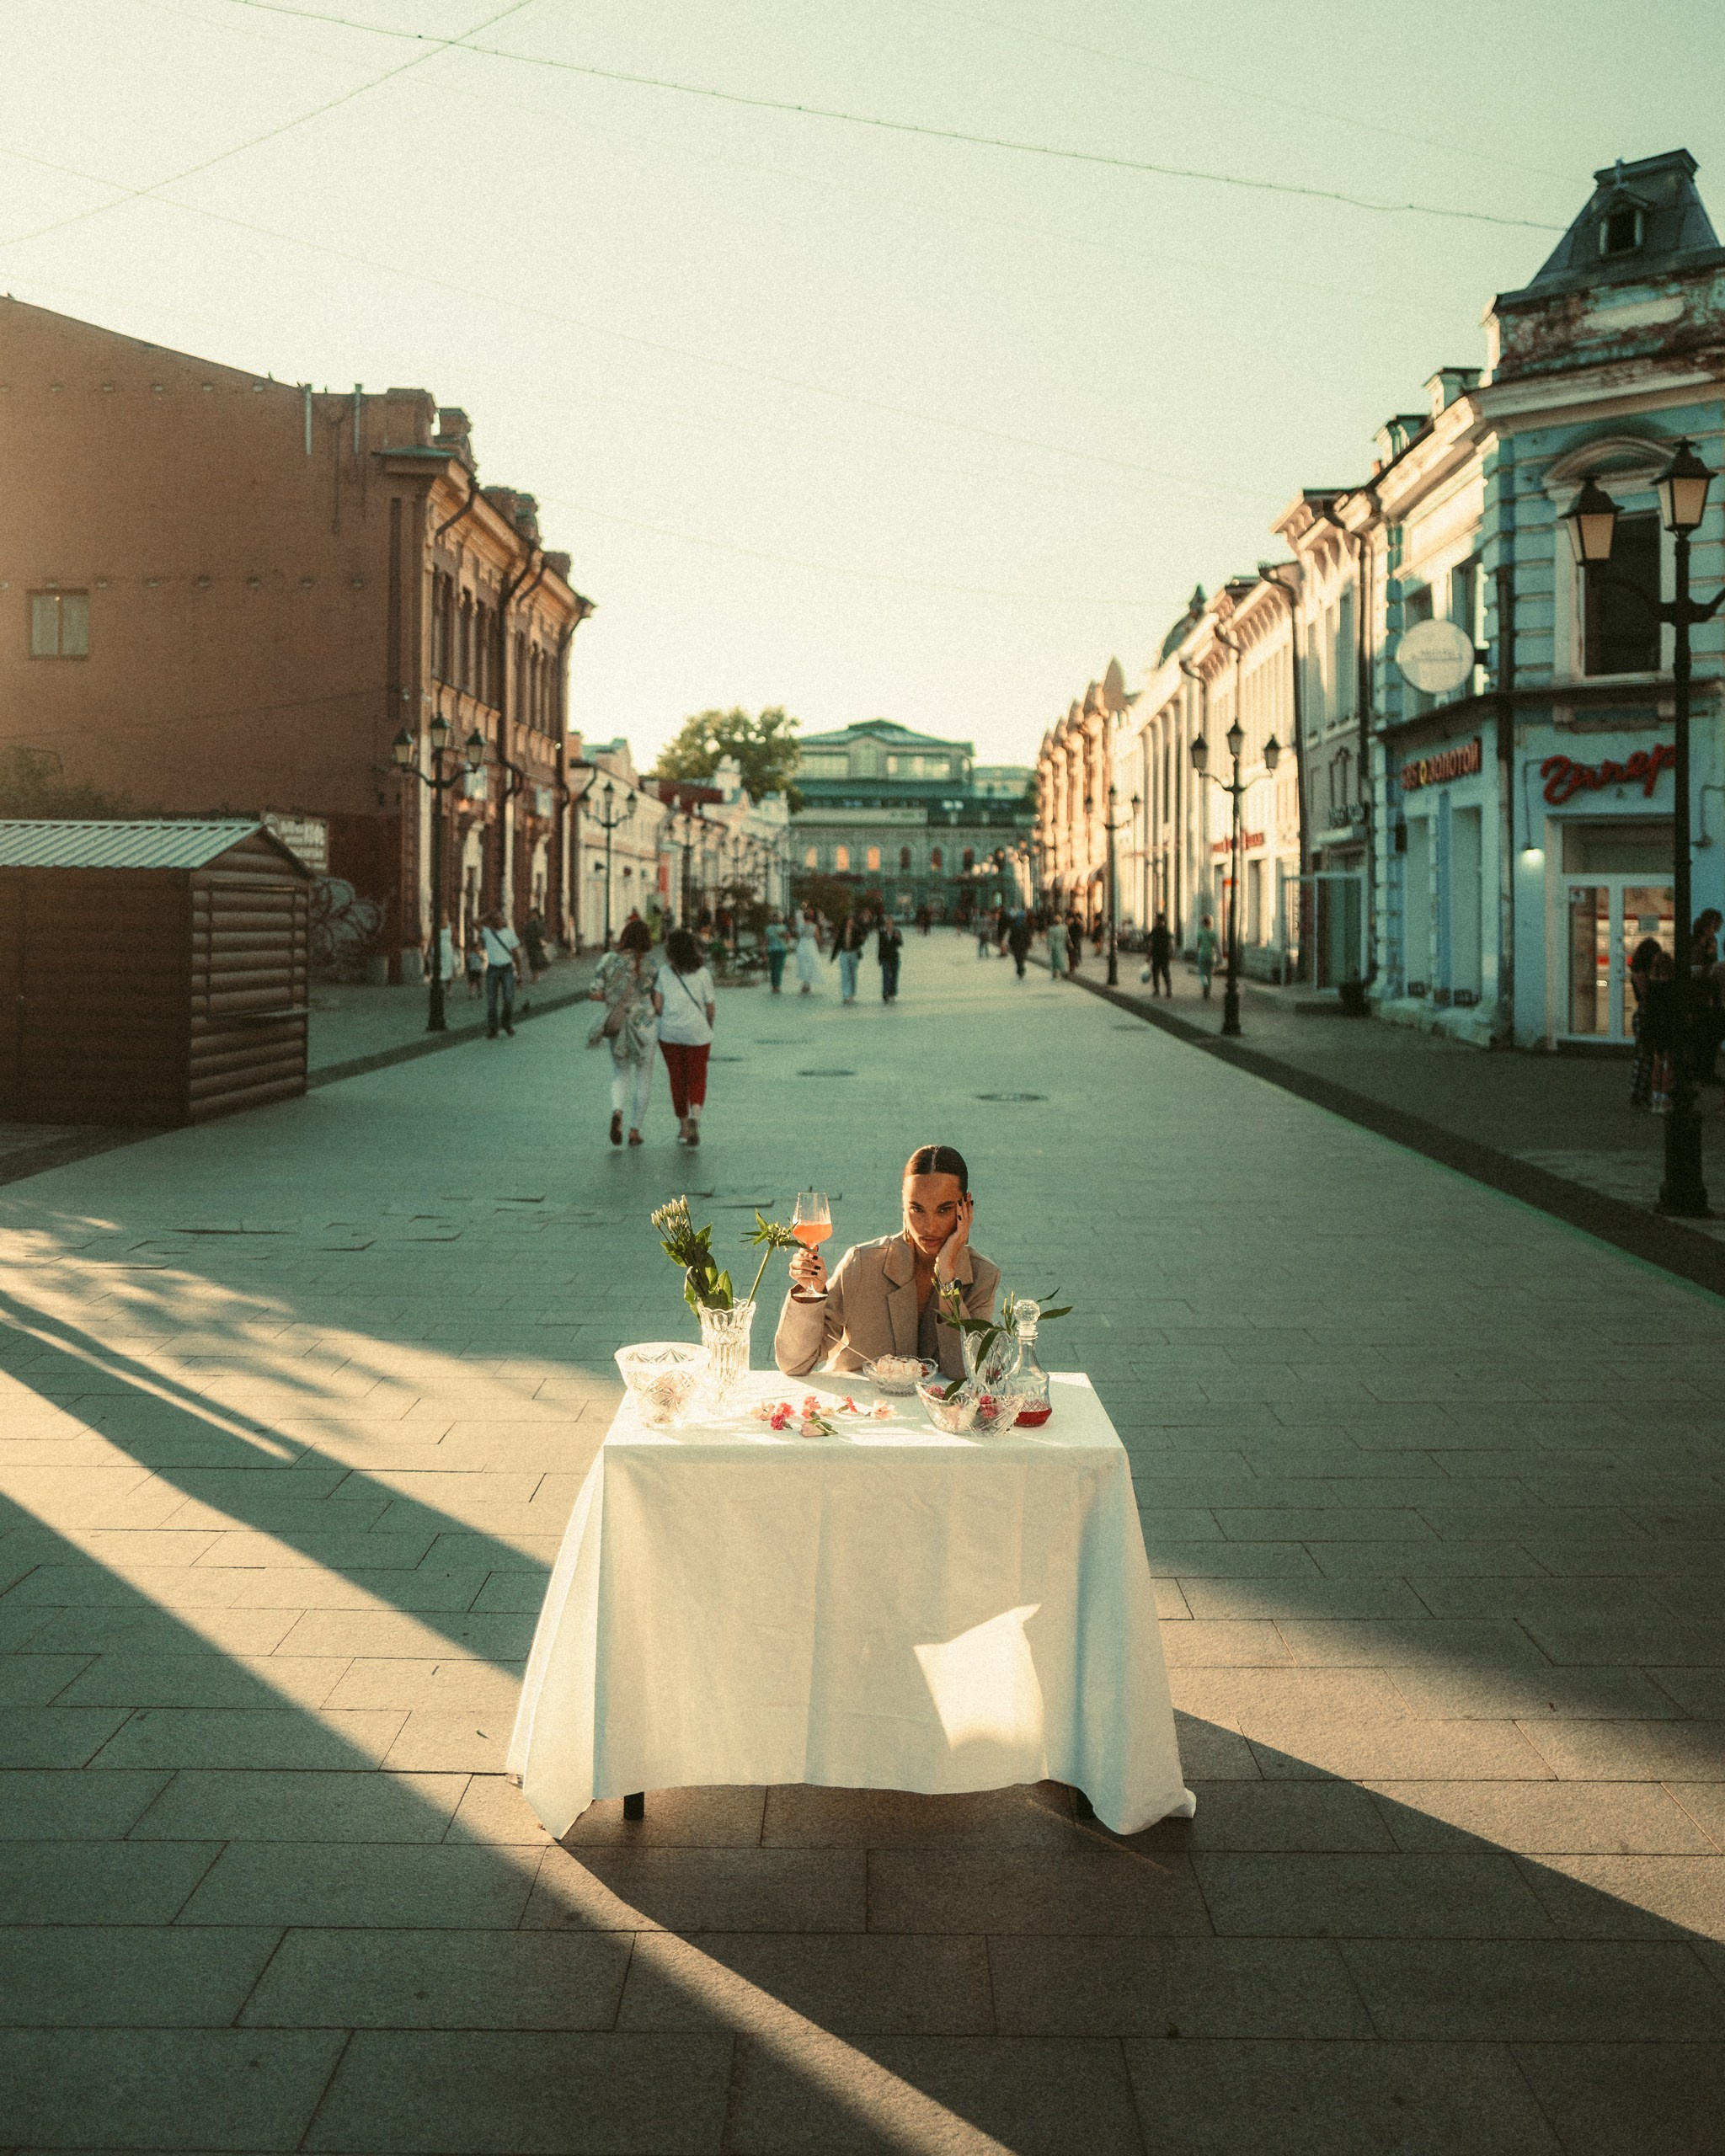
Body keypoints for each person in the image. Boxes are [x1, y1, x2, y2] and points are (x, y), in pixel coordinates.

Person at [775, 1143, 998, 1380]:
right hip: (858, 1401)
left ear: (966, 1206)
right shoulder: (863, 1264)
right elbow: (795, 1363)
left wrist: (946, 1277)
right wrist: (810, 1294)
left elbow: (965, 1372)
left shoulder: (983, 1277)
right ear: (903, 1204)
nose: (929, 1226)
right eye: (917, 1209)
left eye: (943, 1210)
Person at [589, 918, 657, 1145]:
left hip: (618, 1022)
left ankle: (617, 1111)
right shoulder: (651, 964)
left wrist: (614, 997)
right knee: (644, 1076)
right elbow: (656, 997)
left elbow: (594, 993)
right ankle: (635, 1131)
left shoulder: (608, 960)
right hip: (644, 1023)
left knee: (620, 1072)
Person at [654, 926, 718, 1147]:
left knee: (677, 1079)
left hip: (670, 1033)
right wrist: (708, 1027)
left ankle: (683, 1128)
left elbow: (658, 1006)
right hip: (698, 1033)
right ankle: (695, 1116)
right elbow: (710, 1008)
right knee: (697, 1077)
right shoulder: (703, 973)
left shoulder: (664, 973)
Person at [1629, 934, 1663, 1109]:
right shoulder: (1643, 975)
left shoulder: (1637, 972)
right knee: (1646, 1058)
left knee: (1643, 1057)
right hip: (1646, 1014)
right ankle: (1640, 1095)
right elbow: (1647, 996)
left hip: (1642, 1013)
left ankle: (1640, 1094)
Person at [479, 910, 521, 1038]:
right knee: (492, 1000)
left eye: (500, 919)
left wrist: (519, 973)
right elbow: (474, 923)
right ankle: (493, 1028)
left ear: (504, 921)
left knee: (509, 998)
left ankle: (506, 1022)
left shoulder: (510, 934)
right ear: (492, 922)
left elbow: (516, 954)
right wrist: (488, 914)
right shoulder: (487, 933)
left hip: (507, 969)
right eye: (495, 919)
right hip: (492, 969)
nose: (498, 921)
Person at [834, 906, 869, 1003]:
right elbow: (837, 944)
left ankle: (852, 993)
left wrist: (861, 939)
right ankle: (845, 994)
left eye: (852, 921)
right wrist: (833, 956)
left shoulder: (857, 930)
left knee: (852, 974)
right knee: (845, 974)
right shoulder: (842, 931)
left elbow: (861, 942)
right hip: (844, 953)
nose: (850, 923)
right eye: (849, 921)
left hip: (853, 953)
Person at [1141, 911, 1173, 998]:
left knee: (1156, 973)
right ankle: (1168, 990)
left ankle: (1157, 990)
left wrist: (1148, 955)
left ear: (1159, 921)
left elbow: (1151, 944)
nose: (1155, 921)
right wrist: (1170, 953)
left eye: (1156, 920)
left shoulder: (1155, 931)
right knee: (1165, 972)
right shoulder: (1166, 931)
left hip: (1157, 954)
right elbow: (1170, 943)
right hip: (1164, 955)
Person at [795, 907, 822, 994]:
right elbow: (818, 938)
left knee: (803, 964)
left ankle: (804, 983)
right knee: (811, 963)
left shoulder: (800, 925)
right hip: (811, 944)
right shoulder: (814, 926)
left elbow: (798, 935)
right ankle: (807, 983)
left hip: (802, 944)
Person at [878, 913, 904, 1002]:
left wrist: (898, 938)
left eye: (890, 923)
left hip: (894, 957)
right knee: (886, 976)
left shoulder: (897, 932)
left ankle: (892, 993)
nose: (889, 924)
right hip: (885, 958)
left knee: (894, 976)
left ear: (892, 924)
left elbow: (901, 944)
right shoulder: (882, 933)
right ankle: (885, 993)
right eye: (887, 923)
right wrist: (879, 958)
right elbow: (880, 946)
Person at [1194, 914, 1220, 1001]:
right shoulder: (1213, 933)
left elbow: (1198, 945)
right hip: (1211, 955)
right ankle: (1208, 991)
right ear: (1210, 923)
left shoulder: (1200, 933)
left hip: (1202, 955)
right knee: (1209, 974)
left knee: (1202, 973)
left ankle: (1204, 985)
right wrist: (1219, 955)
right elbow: (1216, 945)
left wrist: (1196, 953)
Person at [764, 912, 789, 994]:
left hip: (771, 950)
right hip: (781, 949)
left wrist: (765, 953)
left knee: (773, 968)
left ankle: (774, 986)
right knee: (778, 968)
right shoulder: (784, 927)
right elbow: (787, 938)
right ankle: (777, 986)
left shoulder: (768, 928)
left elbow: (766, 941)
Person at [521, 909, 548, 982]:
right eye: (532, 915)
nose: (533, 916)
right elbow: (526, 933)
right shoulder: (530, 924)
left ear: (537, 915)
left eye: (534, 915)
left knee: (535, 961)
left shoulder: (538, 924)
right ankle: (535, 976)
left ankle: (536, 977)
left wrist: (542, 940)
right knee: (533, 961)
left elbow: (542, 933)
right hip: (530, 944)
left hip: (536, 945)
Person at [1007, 909, 1032, 979]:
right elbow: (1028, 936)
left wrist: (1010, 943)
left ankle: (1020, 969)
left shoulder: (1014, 927)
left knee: (1017, 958)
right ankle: (1021, 969)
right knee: (1022, 957)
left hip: (1016, 945)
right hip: (1023, 945)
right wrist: (1029, 943)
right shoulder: (1025, 926)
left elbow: (1011, 937)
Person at [461, 927, 483, 1000]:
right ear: (473, 949)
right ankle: (471, 994)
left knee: (479, 982)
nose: (477, 949)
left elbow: (483, 960)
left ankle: (479, 992)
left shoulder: (479, 955)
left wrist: (480, 956)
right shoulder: (471, 955)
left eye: (478, 948)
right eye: (476, 948)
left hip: (478, 969)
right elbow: (468, 960)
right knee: (471, 982)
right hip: (472, 970)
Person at [1065, 911, 1083, 977]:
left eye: (1069, 920)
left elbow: (1078, 935)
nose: (1068, 921)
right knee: (1071, 956)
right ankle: (1072, 967)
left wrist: (1074, 942)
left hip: (1074, 943)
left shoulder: (1076, 926)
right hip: (1070, 943)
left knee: (1072, 956)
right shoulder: (1069, 927)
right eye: (1067, 920)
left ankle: (1072, 968)